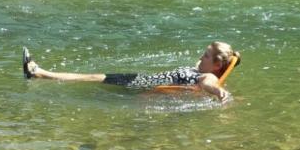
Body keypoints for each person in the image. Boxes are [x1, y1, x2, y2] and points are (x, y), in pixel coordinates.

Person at [22, 41, 240, 102]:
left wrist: (221, 93)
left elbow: (209, 85)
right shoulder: (202, 67)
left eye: (205, 56)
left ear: (216, 66)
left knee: (93, 77)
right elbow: (208, 67)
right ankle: (39, 72)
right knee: (96, 77)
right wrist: (233, 59)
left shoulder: (207, 75)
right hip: (143, 81)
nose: (200, 57)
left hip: (143, 84)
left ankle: (38, 73)